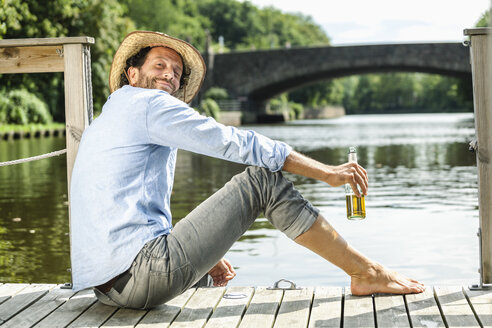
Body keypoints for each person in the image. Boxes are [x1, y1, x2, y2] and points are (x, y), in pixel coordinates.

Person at [70, 31, 424, 309]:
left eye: (176, 72)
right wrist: (327, 173)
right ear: (133, 73)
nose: (169, 76)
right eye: (159, 65)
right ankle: (366, 272)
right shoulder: (147, 105)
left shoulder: (111, 116)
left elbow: (132, 211)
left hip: (107, 287)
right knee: (262, 181)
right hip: (140, 277)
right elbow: (233, 142)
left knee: (212, 276)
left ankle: (365, 272)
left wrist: (205, 254)